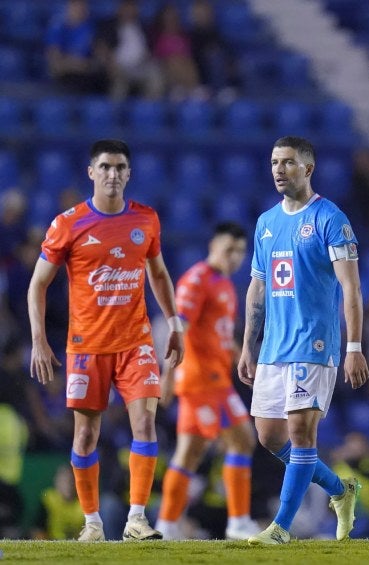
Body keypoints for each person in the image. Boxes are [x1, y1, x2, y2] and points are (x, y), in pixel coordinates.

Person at [28, 139, 185, 542]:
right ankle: (93, 523)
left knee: (147, 422)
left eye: (120, 167)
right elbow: (37, 285)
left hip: (136, 343)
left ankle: (136, 519)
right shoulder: (68, 223)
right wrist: (39, 340)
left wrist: (174, 321)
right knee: (85, 435)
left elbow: (160, 274)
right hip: (87, 347)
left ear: (129, 174)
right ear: (91, 172)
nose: (112, 174)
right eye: (105, 167)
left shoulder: (146, 219)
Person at [237, 136, 369, 545]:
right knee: (269, 437)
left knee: (299, 432)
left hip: (313, 343)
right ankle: (339, 489)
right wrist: (248, 345)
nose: (279, 169)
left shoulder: (330, 218)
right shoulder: (265, 223)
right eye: (275, 161)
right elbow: (257, 289)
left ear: (308, 169)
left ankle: (281, 527)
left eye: (289, 162)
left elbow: (351, 287)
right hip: (274, 346)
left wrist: (353, 346)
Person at [155, 222, 258, 541]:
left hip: (218, 382)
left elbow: (221, 337)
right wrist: (167, 376)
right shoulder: (197, 280)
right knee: (235, 441)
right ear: (213, 246)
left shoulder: (224, 284)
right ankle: (236, 522)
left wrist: (243, 359)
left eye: (240, 252)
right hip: (199, 381)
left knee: (195, 452)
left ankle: (168, 525)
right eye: (229, 250)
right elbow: (178, 330)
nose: (235, 257)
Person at [44, 0, 108, 95]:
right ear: (70, 8)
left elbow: (101, 55)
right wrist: (78, 65)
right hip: (67, 73)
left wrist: (92, 64)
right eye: (77, 6)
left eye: (83, 6)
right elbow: (55, 61)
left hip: (88, 73)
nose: (80, 9)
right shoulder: (58, 28)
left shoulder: (92, 27)